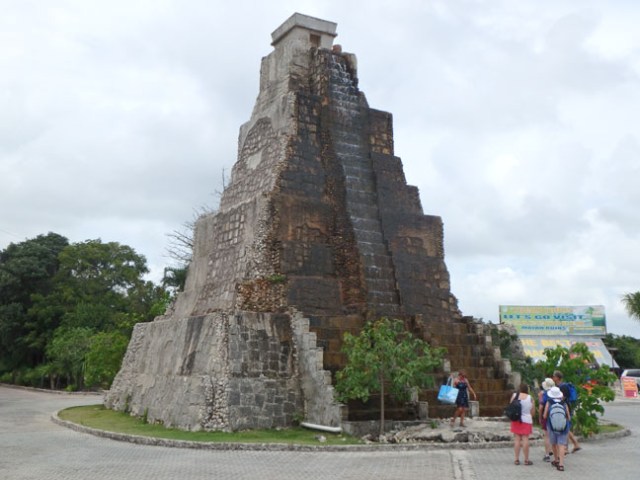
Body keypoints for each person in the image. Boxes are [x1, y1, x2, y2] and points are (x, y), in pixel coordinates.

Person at [552, 370, 582, 453]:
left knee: (565, 428)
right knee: (565, 428)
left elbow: (563, 398)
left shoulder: (562, 387)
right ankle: (570, 446)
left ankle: (570, 446)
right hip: (564, 408)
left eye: (554, 376)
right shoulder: (560, 386)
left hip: (565, 409)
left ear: (557, 377)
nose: (553, 377)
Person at [543, 386, 571, 471]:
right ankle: (561, 465)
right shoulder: (564, 403)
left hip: (551, 427)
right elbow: (568, 417)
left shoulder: (549, 402)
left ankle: (556, 460)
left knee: (554, 444)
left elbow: (544, 415)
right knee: (561, 445)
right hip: (563, 427)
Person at [510, 383, 535, 465]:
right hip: (527, 420)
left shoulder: (514, 396)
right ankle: (526, 460)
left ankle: (516, 459)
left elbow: (511, 407)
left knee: (517, 439)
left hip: (516, 419)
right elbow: (533, 412)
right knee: (525, 439)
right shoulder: (530, 398)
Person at [538, 377, 555, 462]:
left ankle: (547, 455)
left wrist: (540, 417)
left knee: (547, 436)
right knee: (555, 435)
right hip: (556, 416)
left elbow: (541, 407)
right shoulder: (557, 392)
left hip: (547, 416)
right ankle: (556, 454)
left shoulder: (545, 394)